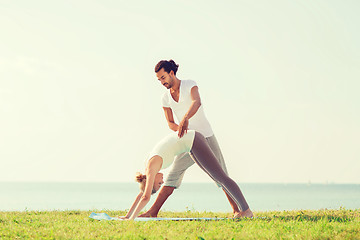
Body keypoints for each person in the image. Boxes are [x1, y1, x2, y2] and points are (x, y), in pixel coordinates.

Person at [139, 59, 244, 218]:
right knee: (173, 173)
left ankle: (238, 209)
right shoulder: (165, 98)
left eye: (163, 77)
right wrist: (181, 129)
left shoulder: (189, 84)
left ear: (171, 73)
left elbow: (197, 102)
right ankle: (153, 212)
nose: (161, 82)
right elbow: (170, 123)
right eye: (159, 79)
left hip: (205, 137)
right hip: (188, 141)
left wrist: (185, 118)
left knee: (220, 174)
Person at [122, 130, 253, 220]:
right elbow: (144, 192)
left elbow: (145, 196)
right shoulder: (148, 169)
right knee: (217, 177)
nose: (162, 182)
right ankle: (244, 210)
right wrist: (128, 216)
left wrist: (132, 220)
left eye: (158, 184)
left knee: (220, 177)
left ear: (150, 181)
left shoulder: (151, 169)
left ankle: (246, 210)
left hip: (194, 140)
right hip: (191, 143)